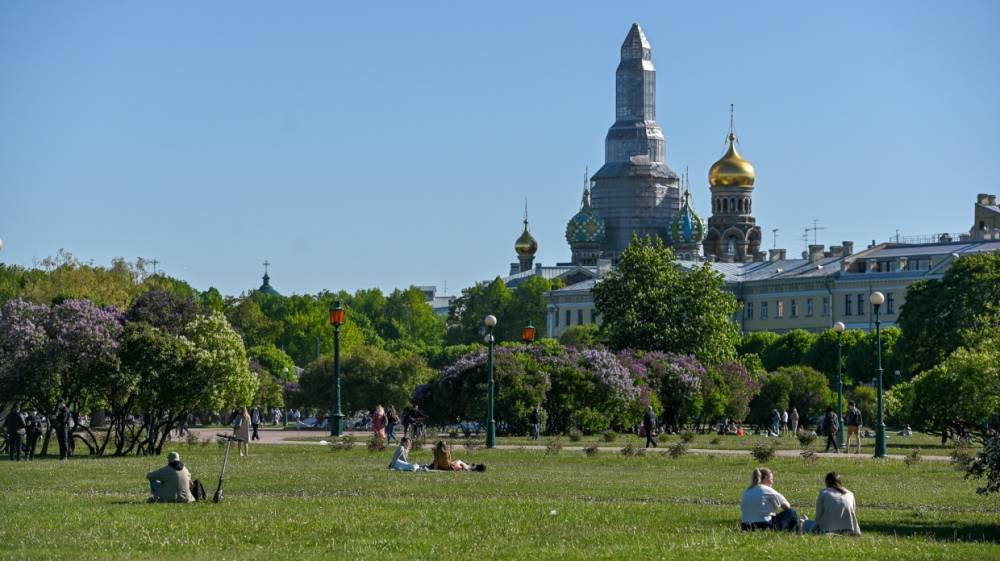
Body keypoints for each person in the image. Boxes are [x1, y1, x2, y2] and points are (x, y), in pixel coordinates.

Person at [740, 467, 800, 532]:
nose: (772, 482)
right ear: (765, 478)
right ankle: (795, 532)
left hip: (745, 526)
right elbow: (787, 506)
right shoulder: (766, 489)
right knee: (791, 512)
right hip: (763, 526)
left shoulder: (747, 491)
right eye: (771, 479)